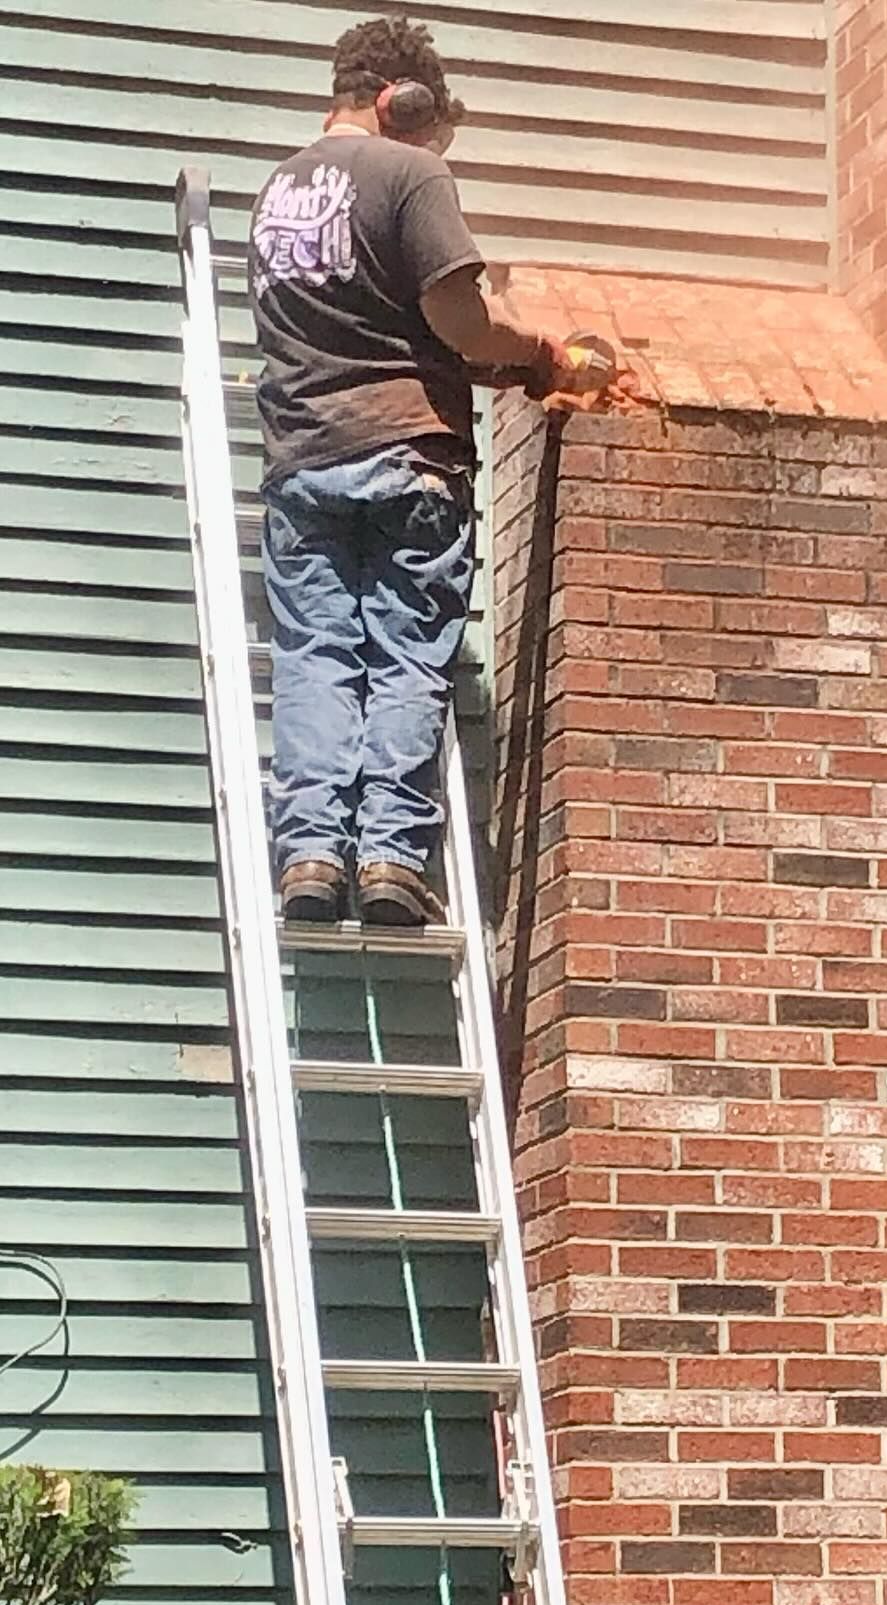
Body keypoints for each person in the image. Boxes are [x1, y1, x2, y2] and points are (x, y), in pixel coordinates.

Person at [248, 15, 593, 926]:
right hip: (407, 457)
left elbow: (362, 324)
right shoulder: (410, 171)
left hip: (303, 463)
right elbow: (457, 320)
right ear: (407, 102)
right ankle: (394, 859)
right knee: (403, 658)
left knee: (318, 656)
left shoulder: (275, 192)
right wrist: (537, 348)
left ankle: (314, 854)